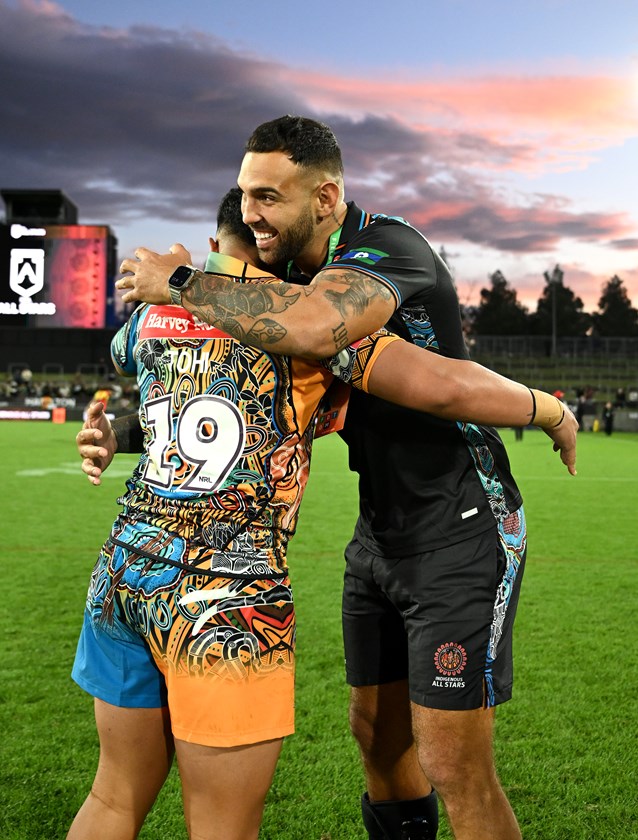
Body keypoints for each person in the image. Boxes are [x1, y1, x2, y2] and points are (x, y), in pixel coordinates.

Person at [109, 116, 577, 840]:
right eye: (244, 194)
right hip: (379, 531)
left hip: (460, 525)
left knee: (453, 764)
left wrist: (179, 283)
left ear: (326, 197)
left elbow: (364, 349)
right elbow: (238, 404)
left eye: (269, 197)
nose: (251, 213)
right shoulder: (289, 280)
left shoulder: (385, 247)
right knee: (377, 737)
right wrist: (120, 434)